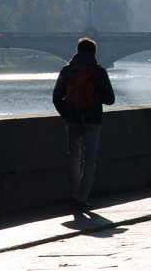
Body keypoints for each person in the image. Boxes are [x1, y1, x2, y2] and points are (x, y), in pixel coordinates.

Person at [53, 37, 115, 208]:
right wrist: (95, 97)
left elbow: (56, 97)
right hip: (93, 120)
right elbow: (110, 99)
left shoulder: (67, 70)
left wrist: (66, 114)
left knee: (73, 156)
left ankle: (73, 195)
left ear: (77, 50)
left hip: (73, 119)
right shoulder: (99, 71)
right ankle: (83, 198)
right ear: (94, 53)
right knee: (90, 159)